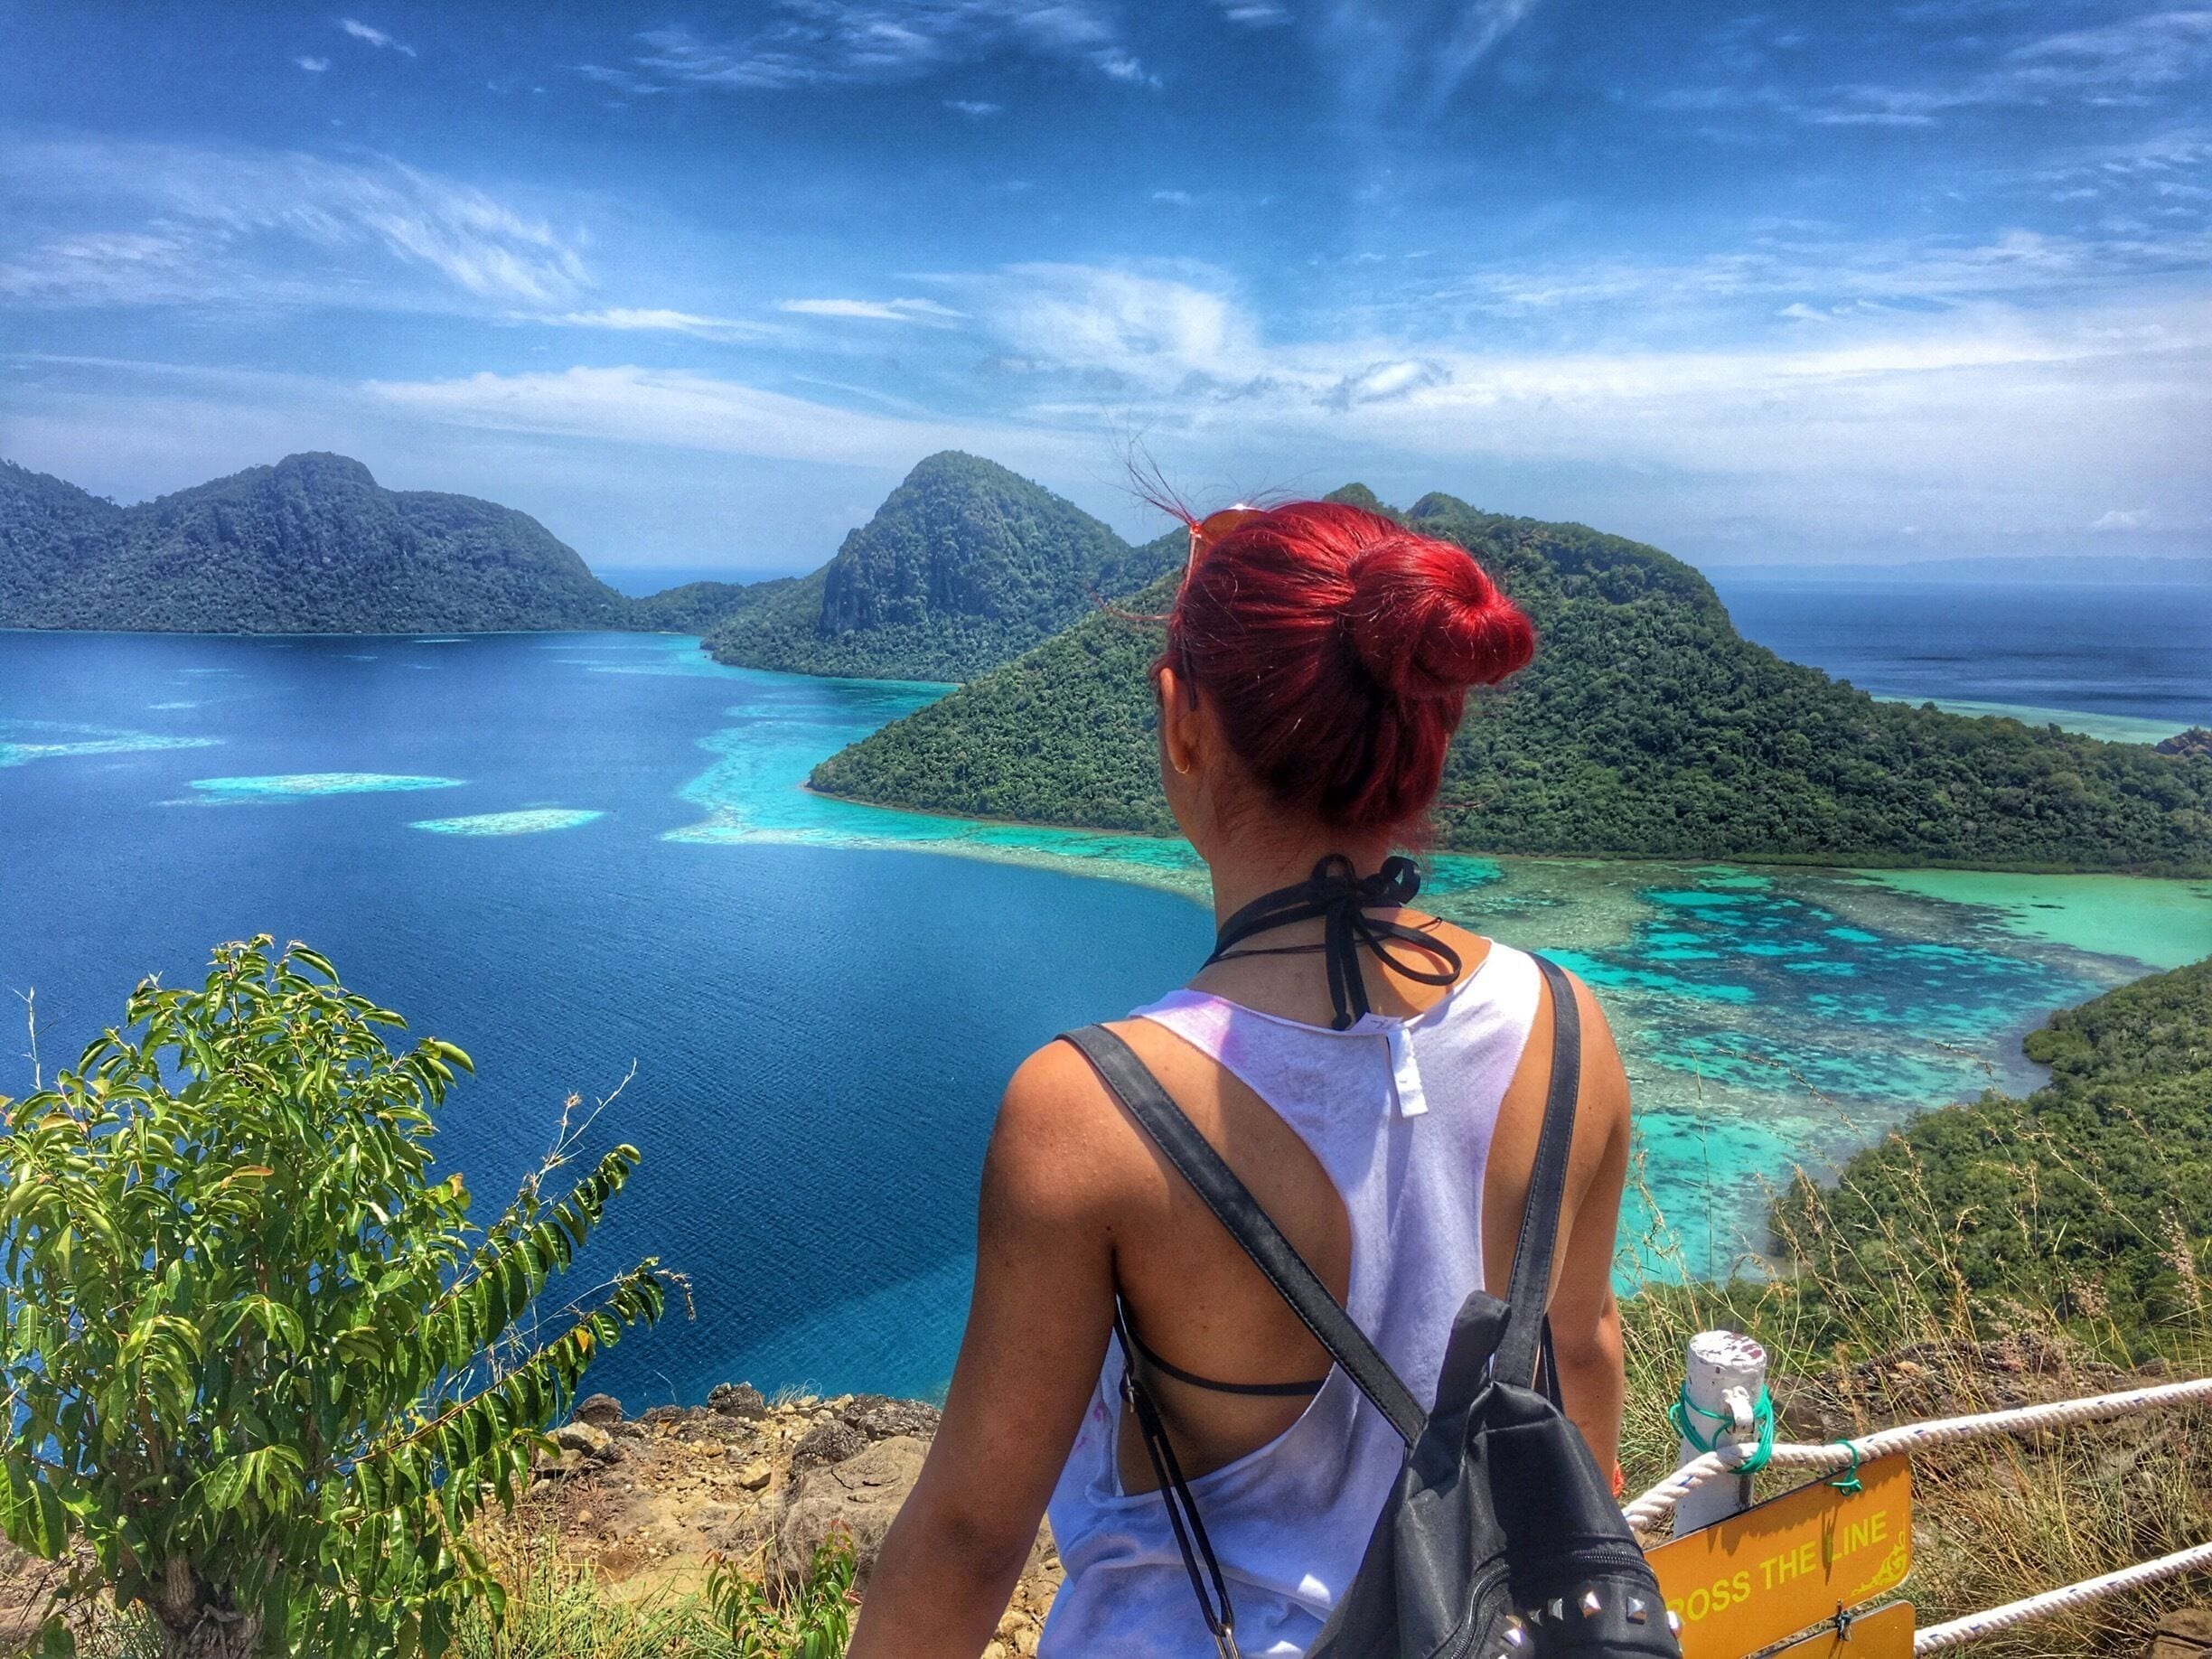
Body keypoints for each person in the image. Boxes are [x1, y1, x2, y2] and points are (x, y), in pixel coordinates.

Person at [848, 500, 1635, 1659]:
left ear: (1182, 725)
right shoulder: (1572, 1029)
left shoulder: (1090, 1112)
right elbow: (1586, 1347)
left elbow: (969, 1537)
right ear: (1433, 729)